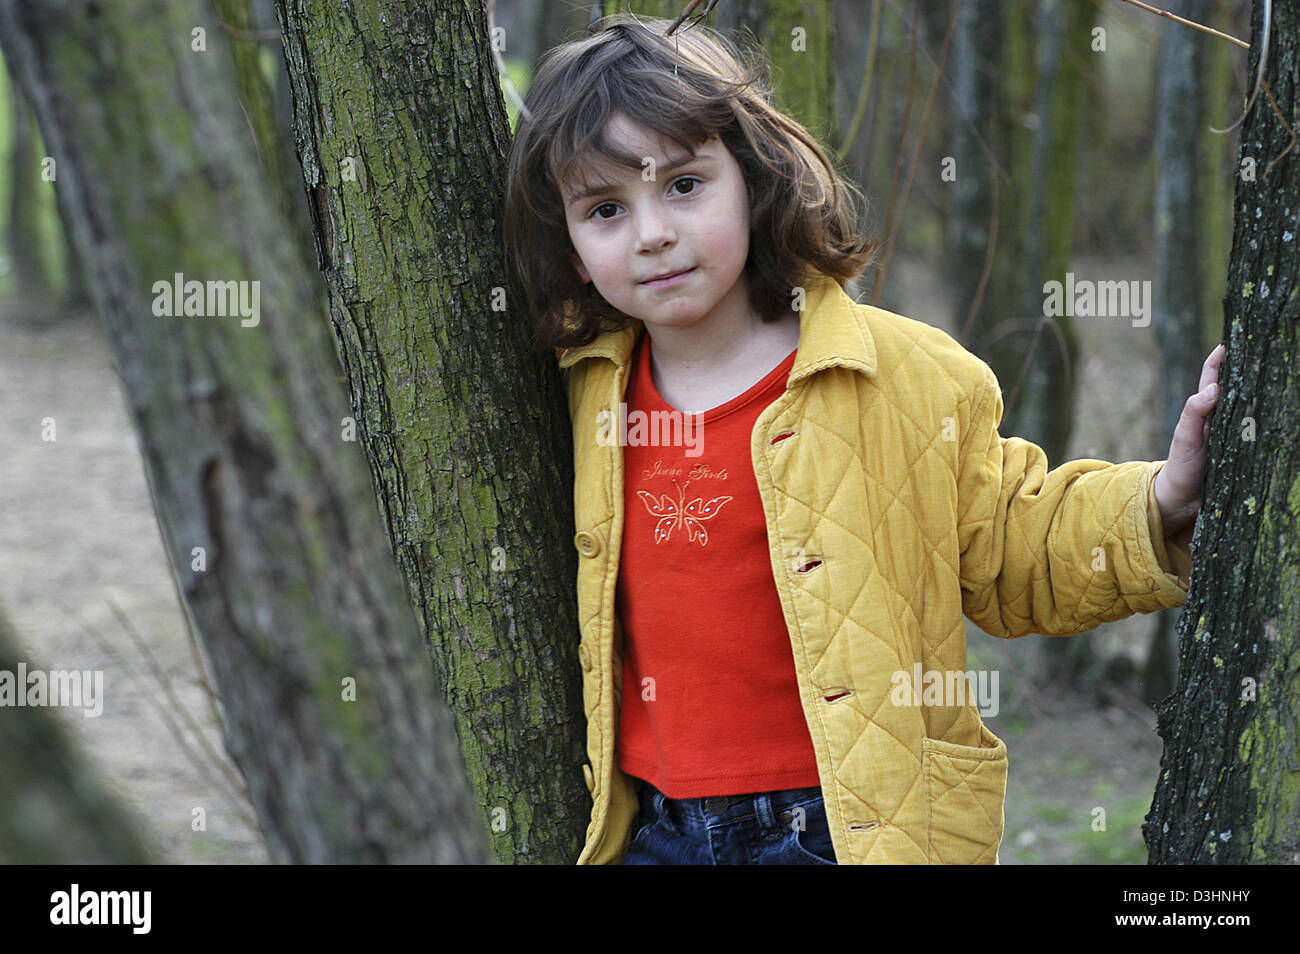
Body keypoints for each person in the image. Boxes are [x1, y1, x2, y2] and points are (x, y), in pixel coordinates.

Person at [503, 13, 1225, 865]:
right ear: (576, 249)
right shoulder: (580, 396)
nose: (652, 232)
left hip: (847, 823)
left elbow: (1014, 546)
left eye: (685, 185)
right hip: (652, 830)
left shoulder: (901, 374)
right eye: (606, 208)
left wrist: (1159, 500)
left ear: (752, 177)